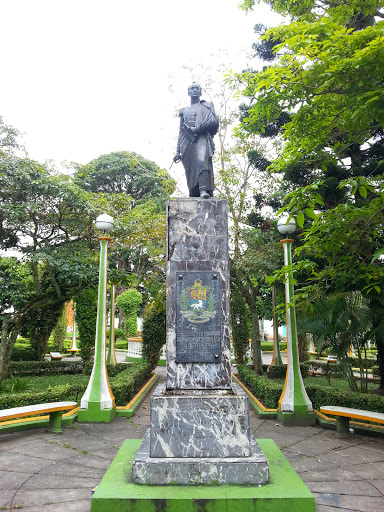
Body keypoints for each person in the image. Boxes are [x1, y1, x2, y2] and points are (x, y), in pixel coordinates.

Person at [173, 83, 219, 199]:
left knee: (201, 160)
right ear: (188, 93)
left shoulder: (206, 106)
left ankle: (203, 189)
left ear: (200, 92)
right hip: (186, 142)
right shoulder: (184, 111)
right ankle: (194, 190)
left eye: (197, 89)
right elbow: (181, 131)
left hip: (201, 137)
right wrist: (177, 151)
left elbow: (213, 122)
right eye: (192, 89)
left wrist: (198, 128)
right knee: (191, 169)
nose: (194, 90)